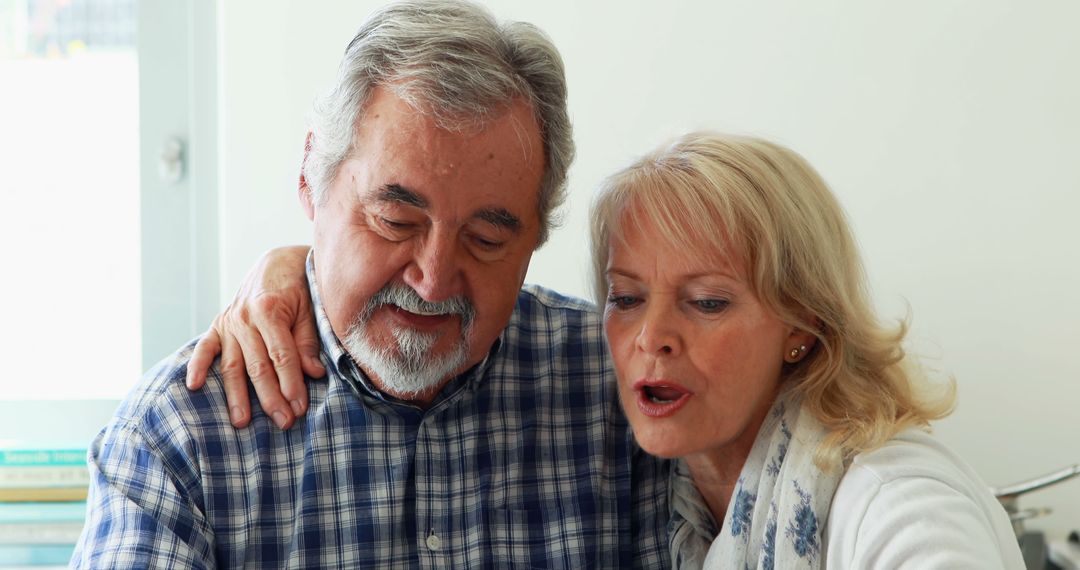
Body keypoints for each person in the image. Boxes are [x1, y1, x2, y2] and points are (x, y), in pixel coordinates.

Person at [201, 133, 1025, 568]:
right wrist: (292, 273)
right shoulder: (670, 476)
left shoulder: (891, 499)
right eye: (626, 297)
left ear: (804, 322)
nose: (652, 337)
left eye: (707, 302)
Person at [72, 1, 668, 567]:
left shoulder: (618, 387)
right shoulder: (180, 438)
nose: (433, 282)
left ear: (536, 233)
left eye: (485, 239)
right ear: (311, 176)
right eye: (396, 222)